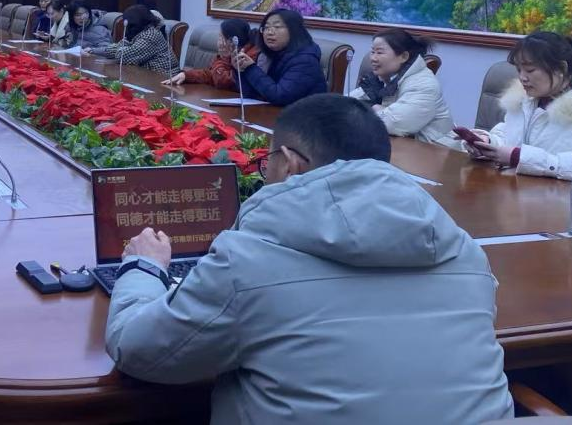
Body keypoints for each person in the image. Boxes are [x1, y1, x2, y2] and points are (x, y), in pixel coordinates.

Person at [105, 94, 512, 424]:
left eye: (266, 164)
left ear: (290, 164)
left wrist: (144, 268)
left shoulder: (247, 260)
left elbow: (141, 351)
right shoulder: (465, 252)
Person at [461, 31, 572, 188]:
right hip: (536, 195)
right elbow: (511, 136)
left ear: (561, 69)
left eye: (530, 70)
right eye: (519, 70)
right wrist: (489, 143)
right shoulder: (526, 100)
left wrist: (520, 158)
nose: (522, 78)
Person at [349, 28, 455, 144]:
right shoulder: (382, 78)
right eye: (372, 52)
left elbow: (392, 124)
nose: (373, 58)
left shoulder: (424, 84)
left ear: (403, 56)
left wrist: (372, 106)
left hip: (435, 149)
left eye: (379, 52)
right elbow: (345, 104)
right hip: (400, 146)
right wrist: (373, 107)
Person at [234, 8, 326, 105]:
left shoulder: (305, 61)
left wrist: (251, 68)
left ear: (294, 30)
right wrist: (242, 70)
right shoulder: (268, 55)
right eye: (266, 28)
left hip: (306, 113)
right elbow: (253, 94)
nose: (269, 32)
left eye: (277, 27)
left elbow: (280, 97)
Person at [163, 18, 257, 91]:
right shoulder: (232, 52)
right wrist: (186, 76)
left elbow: (223, 81)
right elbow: (210, 74)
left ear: (232, 41)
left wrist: (223, 59)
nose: (218, 42)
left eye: (221, 38)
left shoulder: (249, 56)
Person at [85, 5, 179, 73]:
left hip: (165, 77)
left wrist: (122, 48)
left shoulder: (151, 35)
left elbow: (124, 56)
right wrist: (93, 51)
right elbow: (118, 47)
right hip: (147, 74)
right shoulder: (138, 31)